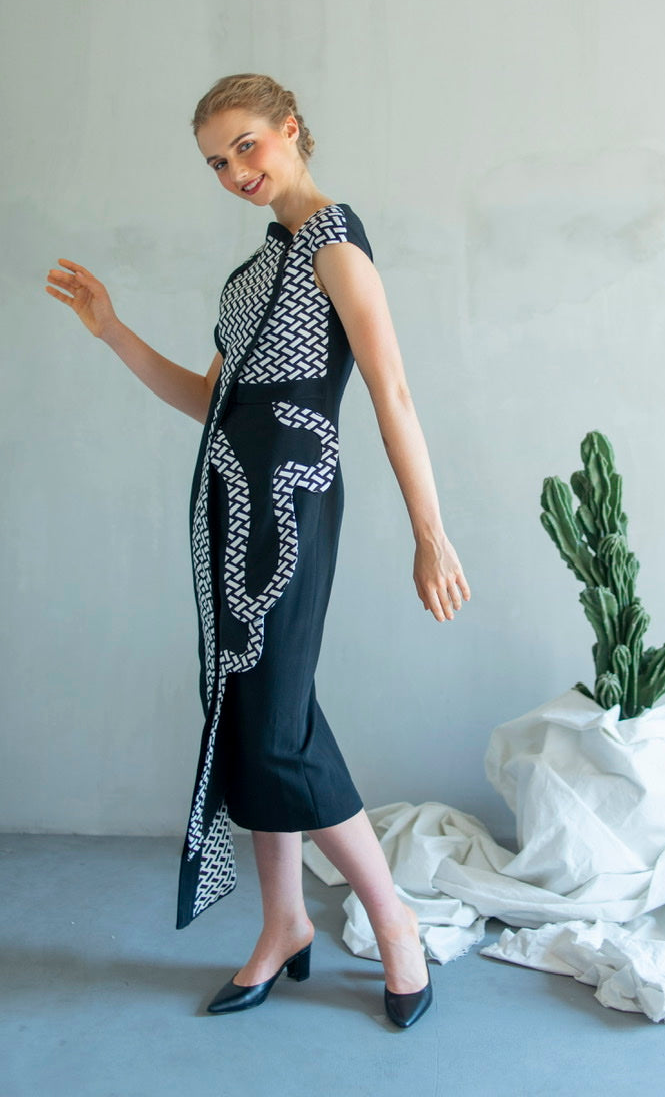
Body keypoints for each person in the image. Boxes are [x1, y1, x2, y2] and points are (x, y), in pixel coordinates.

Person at [45, 73, 470, 1028]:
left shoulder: (336, 247)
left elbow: (392, 394)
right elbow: (211, 401)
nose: (234, 170)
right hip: (224, 506)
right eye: (215, 161)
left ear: (289, 129)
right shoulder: (247, 278)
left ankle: (393, 919)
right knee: (246, 715)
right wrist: (111, 331)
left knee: (278, 725)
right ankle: (283, 924)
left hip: (292, 500)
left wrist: (429, 534)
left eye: (246, 145)